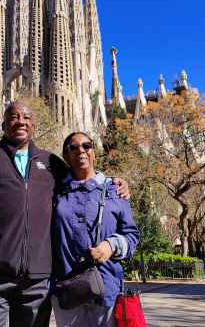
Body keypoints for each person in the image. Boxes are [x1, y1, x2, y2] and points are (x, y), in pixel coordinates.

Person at [0, 102, 130, 327]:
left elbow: (82, 180)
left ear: (34, 125)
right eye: (13, 116)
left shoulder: (51, 164)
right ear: (3, 124)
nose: (20, 121)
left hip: (35, 284)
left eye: (26, 117)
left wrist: (113, 182)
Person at [52, 132, 140, 327]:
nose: (81, 151)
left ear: (93, 151)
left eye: (86, 146)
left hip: (105, 288)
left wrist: (111, 246)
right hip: (68, 290)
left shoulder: (113, 189)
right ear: (66, 156)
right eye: (73, 148)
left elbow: (132, 236)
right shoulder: (55, 191)